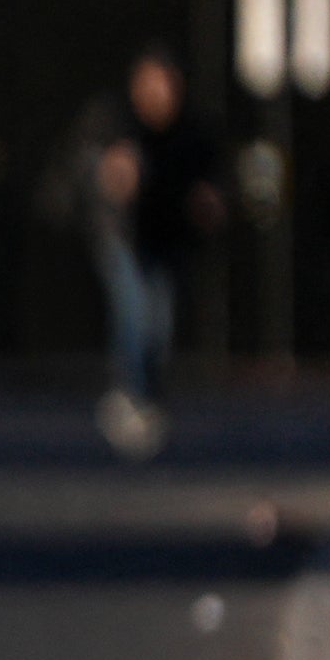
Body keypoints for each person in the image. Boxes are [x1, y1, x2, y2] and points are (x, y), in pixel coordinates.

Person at [83, 45, 223, 457]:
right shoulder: (115, 118)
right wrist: (112, 172)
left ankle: (147, 394)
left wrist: (208, 199)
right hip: (120, 234)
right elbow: (92, 164)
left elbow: (207, 178)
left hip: (165, 236)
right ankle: (130, 393)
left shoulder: (190, 128)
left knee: (160, 317)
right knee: (135, 306)